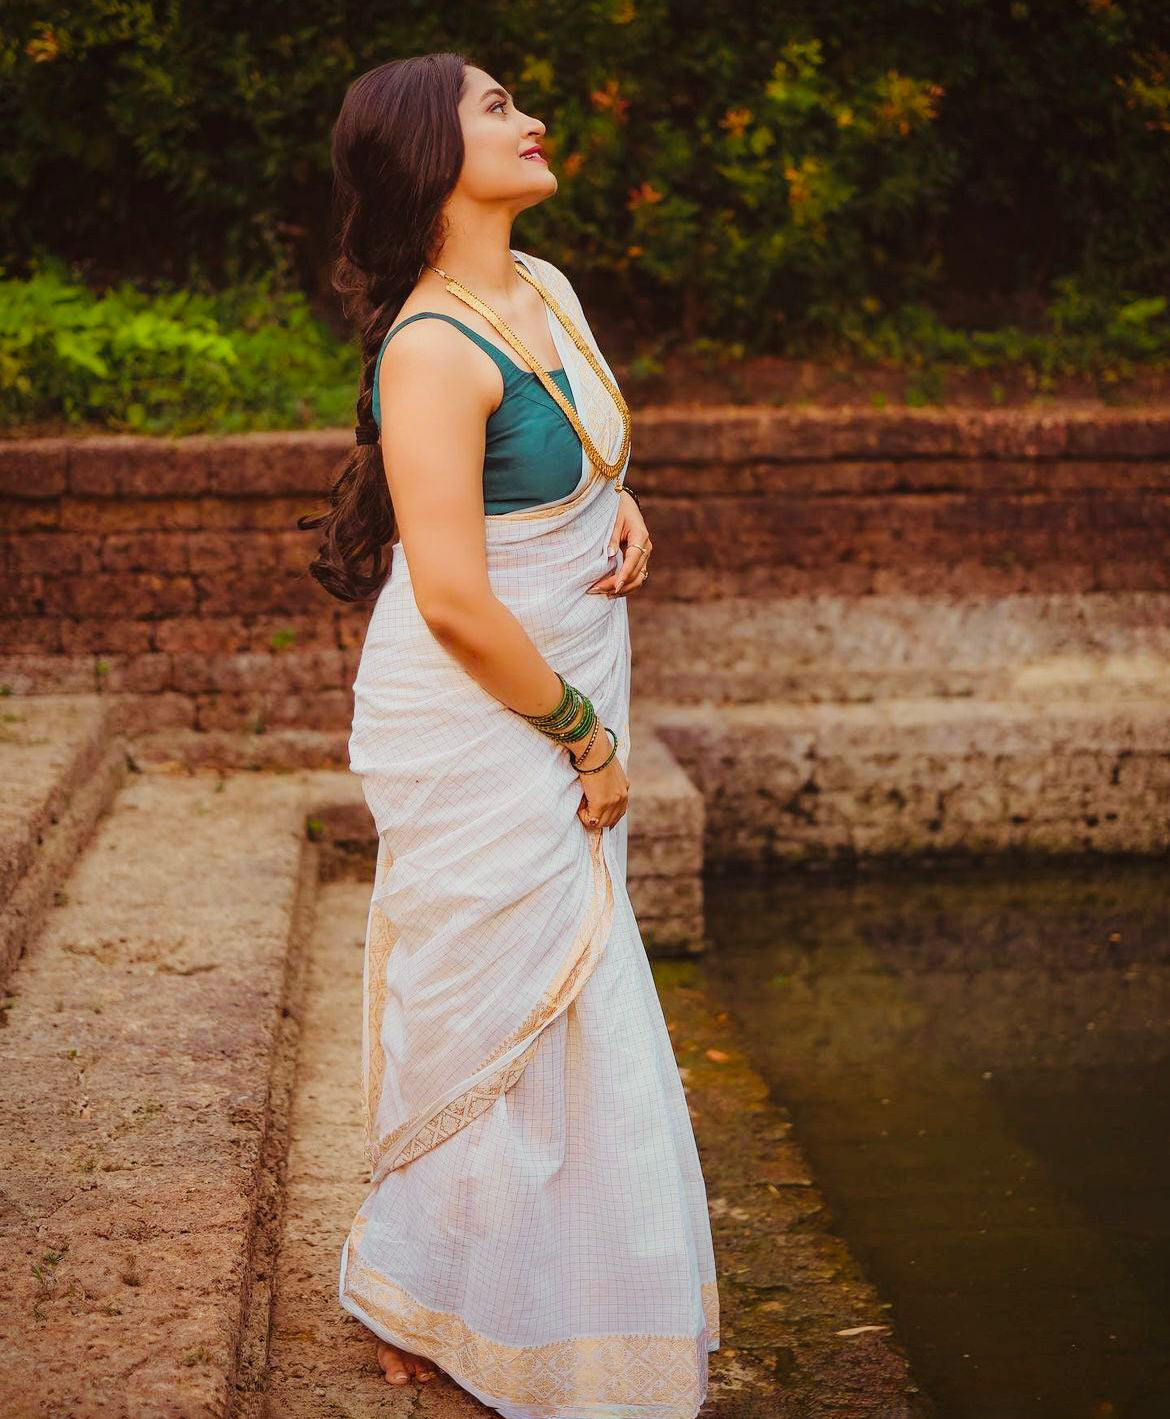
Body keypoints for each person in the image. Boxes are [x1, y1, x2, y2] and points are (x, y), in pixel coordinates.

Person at [298, 50, 719, 1419]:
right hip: (486, 710)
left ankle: (556, 1302)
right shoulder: (431, 349)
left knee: (571, 998)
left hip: (562, 668)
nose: (531, 120)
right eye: (494, 107)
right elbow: (459, 598)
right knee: (492, 996)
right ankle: (430, 1287)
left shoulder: (544, 290)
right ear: (431, 154)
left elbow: (586, 450)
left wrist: (620, 501)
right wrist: (586, 741)